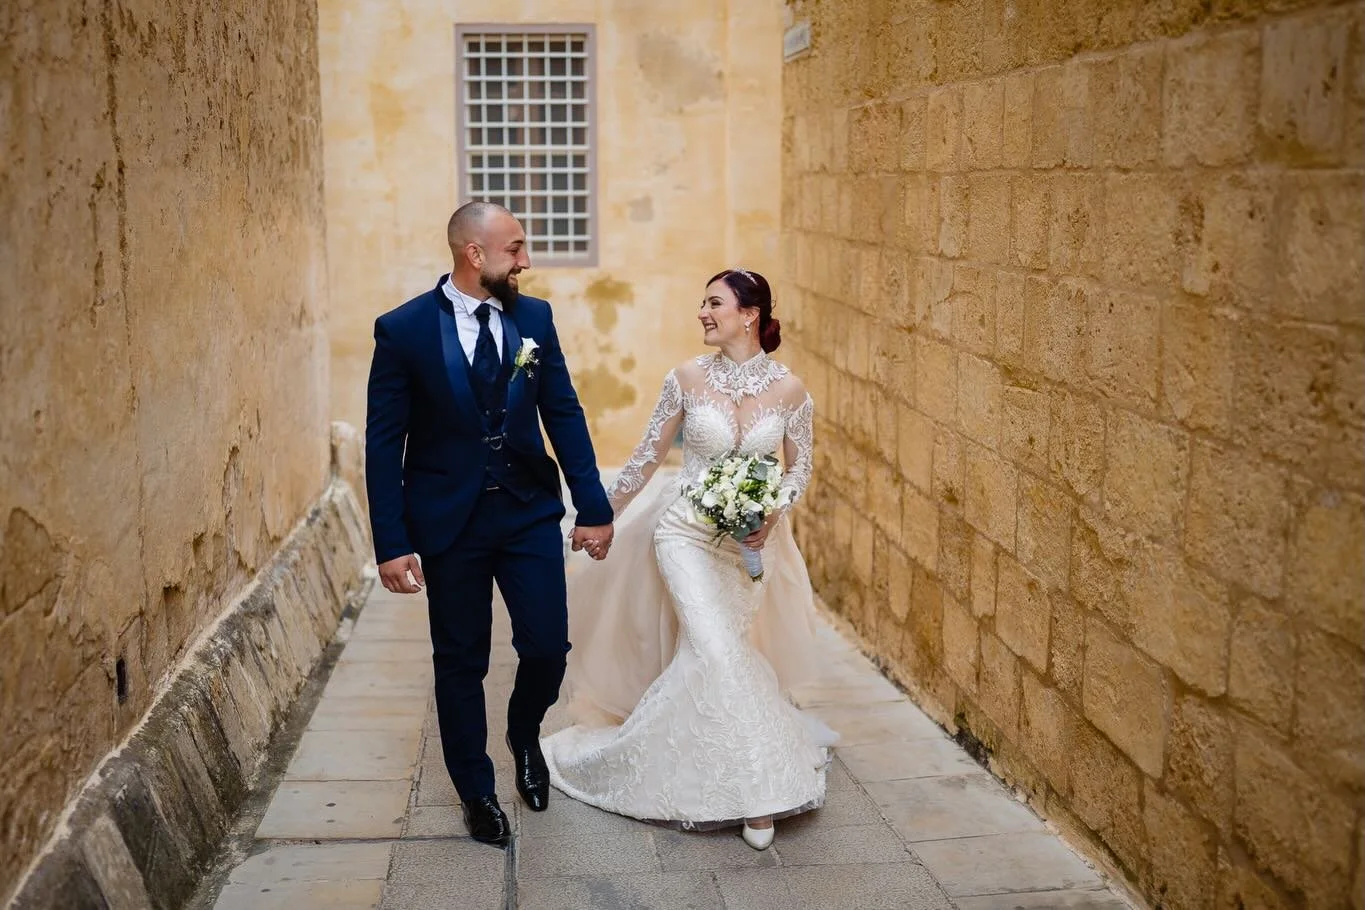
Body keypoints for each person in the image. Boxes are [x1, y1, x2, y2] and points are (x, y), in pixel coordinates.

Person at [542, 267, 835, 851]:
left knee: (712, 653)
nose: (703, 313)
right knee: (715, 648)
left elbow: (798, 466)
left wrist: (772, 513)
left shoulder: (791, 391)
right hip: (684, 533)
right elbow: (647, 458)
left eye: (714, 303)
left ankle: (695, 759)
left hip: (749, 546)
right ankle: (757, 791)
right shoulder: (685, 378)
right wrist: (599, 516)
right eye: (702, 304)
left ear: (748, 314)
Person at [364, 202, 615, 849]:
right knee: (460, 661)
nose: (525, 261)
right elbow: (382, 442)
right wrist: (391, 543)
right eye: (515, 248)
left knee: (545, 647)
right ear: (474, 254)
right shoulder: (404, 331)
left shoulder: (533, 318)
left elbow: (563, 411)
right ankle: (475, 790)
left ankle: (523, 730)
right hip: (450, 523)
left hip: (528, 511)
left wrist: (593, 505)